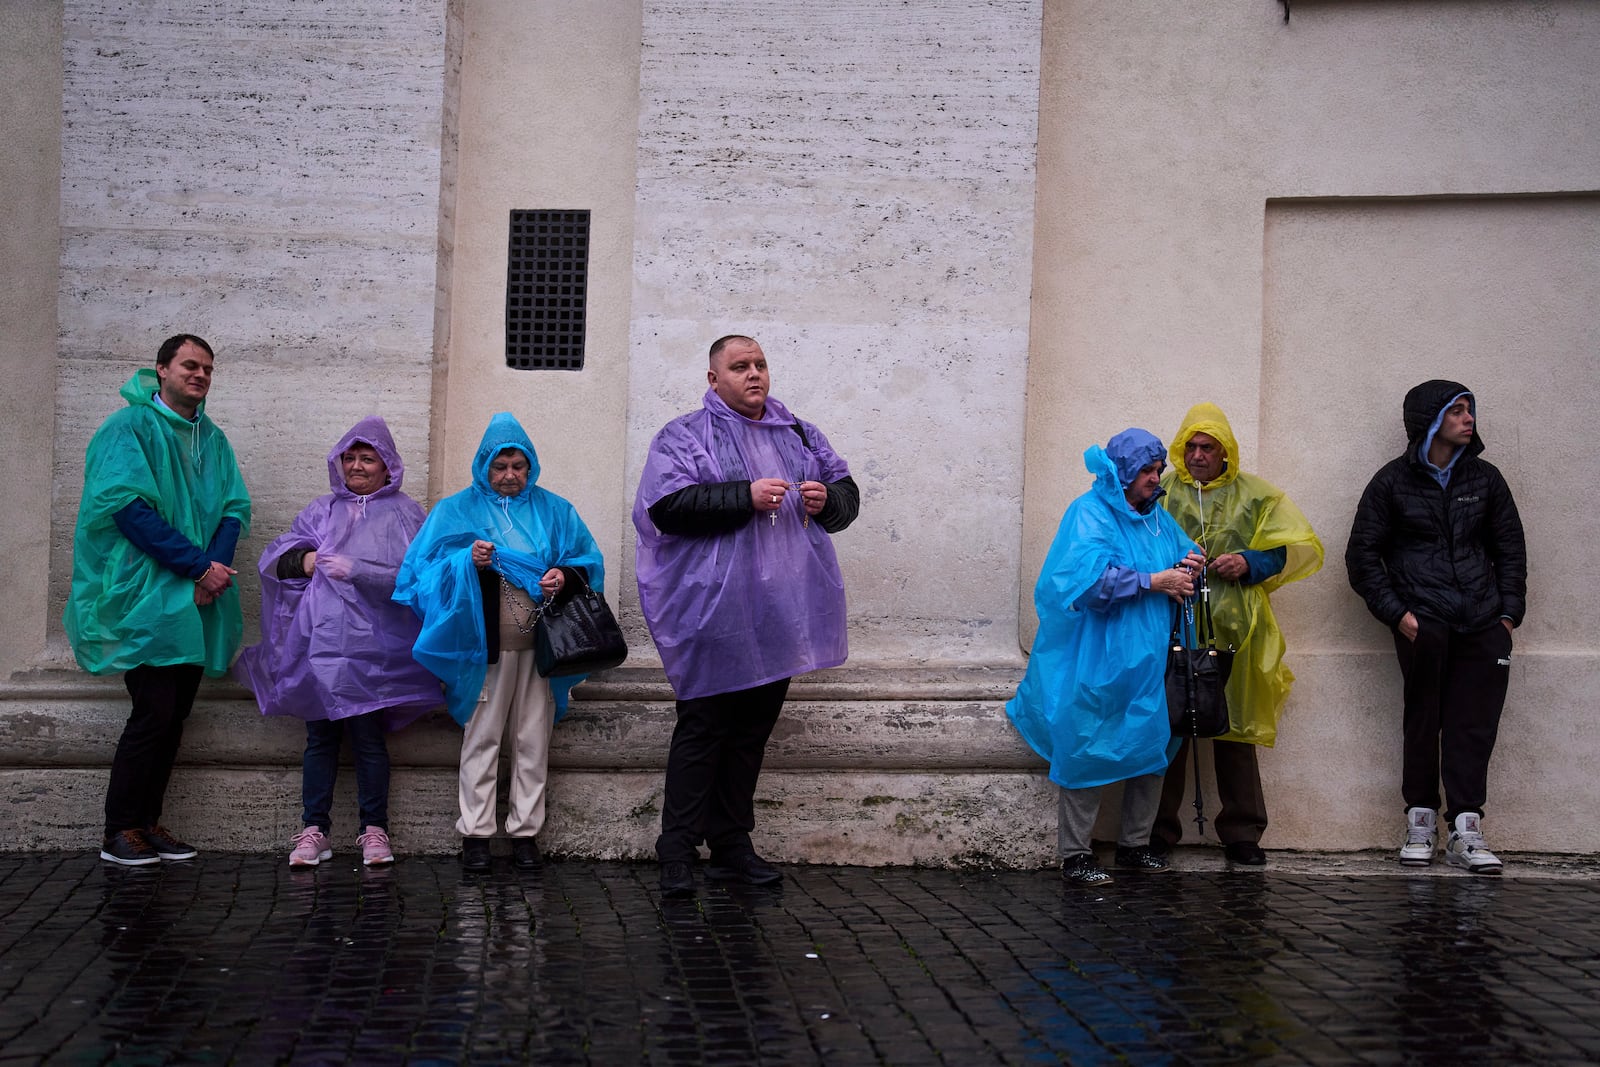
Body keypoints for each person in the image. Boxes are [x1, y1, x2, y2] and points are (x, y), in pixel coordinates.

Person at [634, 334, 860, 898]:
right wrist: (745, 495)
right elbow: (665, 508)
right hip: (714, 611)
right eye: (740, 366)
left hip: (781, 611)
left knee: (752, 732)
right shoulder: (683, 435)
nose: (754, 374)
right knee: (704, 727)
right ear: (714, 379)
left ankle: (732, 844)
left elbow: (847, 495)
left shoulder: (798, 432)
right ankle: (677, 849)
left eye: (760, 364)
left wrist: (825, 501)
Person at [65, 334, 252, 866]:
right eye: (189, 365)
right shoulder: (128, 428)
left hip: (196, 596)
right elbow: (126, 508)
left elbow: (233, 508)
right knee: (153, 711)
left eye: (208, 369)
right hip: (144, 593)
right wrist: (197, 566)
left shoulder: (210, 438)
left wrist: (212, 571)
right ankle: (119, 830)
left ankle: (146, 823)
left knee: (176, 715)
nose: (200, 375)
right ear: (161, 370)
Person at [394, 412, 605, 873]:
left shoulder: (556, 510)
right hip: (481, 648)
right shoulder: (455, 511)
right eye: (500, 466)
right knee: (482, 737)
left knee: (534, 740)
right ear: (483, 467)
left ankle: (526, 833)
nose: (509, 475)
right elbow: (418, 575)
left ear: (531, 467)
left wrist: (561, 576)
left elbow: (587, 563)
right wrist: (464, 561)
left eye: (518, 465)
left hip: (542, 649)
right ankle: (476, 834)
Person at [234, 416, 443, 868]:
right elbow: (278, 561)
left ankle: (374, 829)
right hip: (318, 648)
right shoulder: (319, 511)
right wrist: (307, 559)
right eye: (350, 457)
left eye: (368, 458)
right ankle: (314, 830)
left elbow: (421, 578)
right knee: (320, 739)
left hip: (374, 654)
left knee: (368, 740)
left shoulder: (407, 515)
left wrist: (360, 570)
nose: (357, 466)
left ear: (388, 466)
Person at [1006, 429, 1206, 886]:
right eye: (1146, 472)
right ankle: (1076, 854)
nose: (1155, 479)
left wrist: (1193, 563)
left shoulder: (1157, 518)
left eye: (1158, 471)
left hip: (1149, 657)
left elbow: (1181, 554)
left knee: (1150, 747)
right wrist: (1155, 582)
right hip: (1097, 656)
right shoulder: (1089, 514)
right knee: (1088, 746)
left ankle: (1135, 846)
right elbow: (1082, 584)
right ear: (1121, 473)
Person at [1347, 380, 1526, 874]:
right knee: (1424, 719)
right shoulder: (1390, 483)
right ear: (1430, 419)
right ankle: (1420, 822)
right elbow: (1361, 558)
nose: (1469, 419)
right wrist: (1400, 616)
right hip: (1423, 623)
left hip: (1483, 622)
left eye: (1470, 410)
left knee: (1474, 725)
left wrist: (1508, 615)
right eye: (1458, 411)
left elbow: (1510, 549)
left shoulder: (1486, 480)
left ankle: (1467, 828)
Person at [1149, 403, 1324, 866]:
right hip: (1174, 623)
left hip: (1238, 628)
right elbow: (1135, 542)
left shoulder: (1256, 495)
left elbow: (1287, 549)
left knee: (1235, 726)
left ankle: (1243, 831)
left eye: (1209, 447)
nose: (1199, 455)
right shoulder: (1160, 492)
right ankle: (1156, 829)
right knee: (1168, 725)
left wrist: (1249, 561)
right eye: (1192, 447)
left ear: (1227, 453)